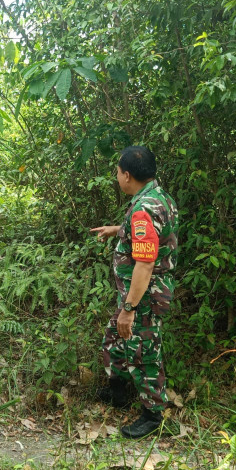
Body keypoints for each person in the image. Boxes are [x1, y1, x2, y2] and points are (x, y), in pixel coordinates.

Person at [90, 146, 178, 438]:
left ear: (127, 175)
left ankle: (153, 415)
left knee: (143, 351)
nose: (117, 177)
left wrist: (129, 309)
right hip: (136, 294)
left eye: (117, 172)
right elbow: (154, 233)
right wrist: (118, 229)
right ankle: (118, 392)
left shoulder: (143, 210)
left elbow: (145, 263)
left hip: (143, 296)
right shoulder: (158, 197)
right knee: (114, 338)